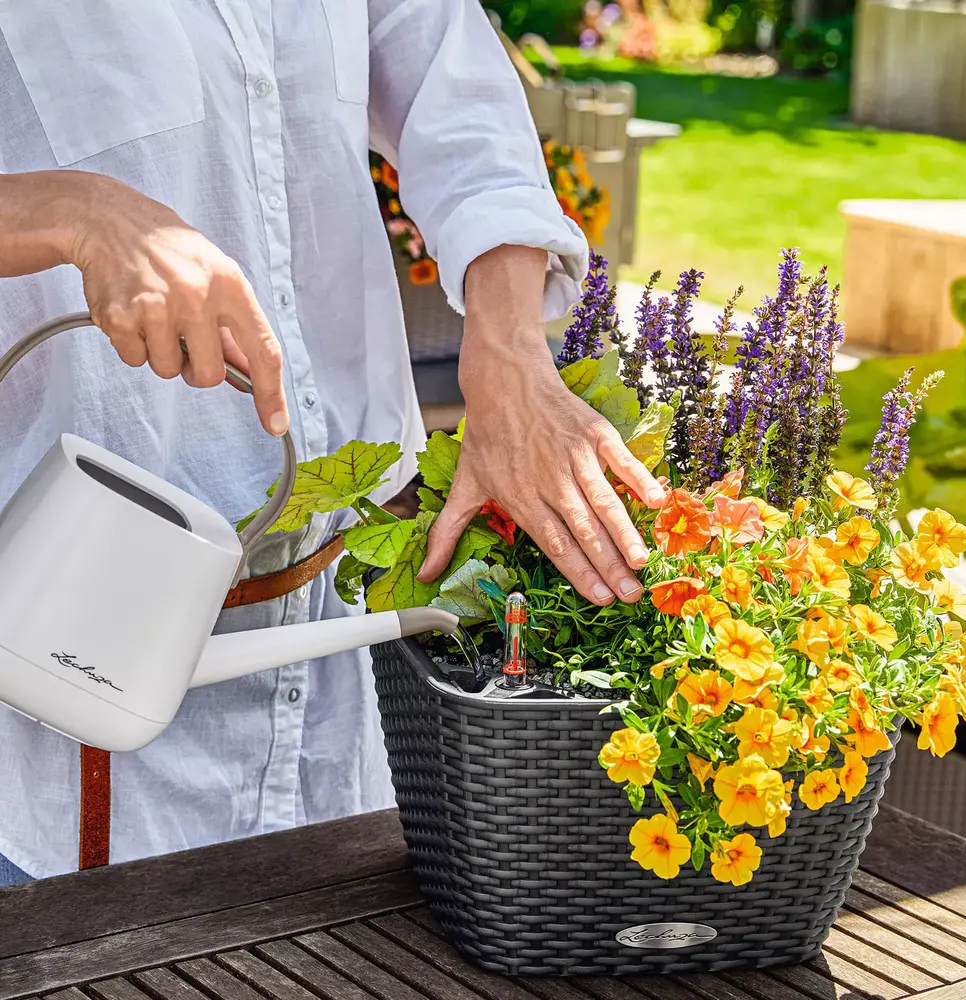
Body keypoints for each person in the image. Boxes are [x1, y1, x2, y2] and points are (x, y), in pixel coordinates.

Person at [0, 0, 665, 886]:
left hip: (346, 665)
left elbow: (453, 93)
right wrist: (74, 211)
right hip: (67, 702)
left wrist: (508, 348)